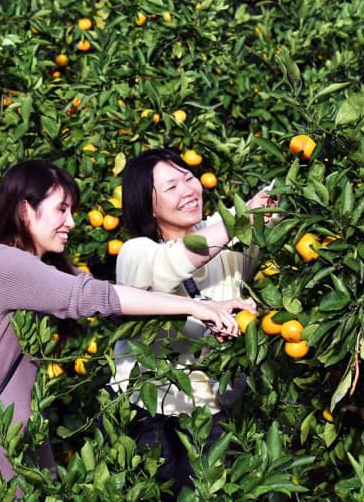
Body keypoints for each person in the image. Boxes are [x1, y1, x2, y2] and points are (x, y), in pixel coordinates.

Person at [0, 159, 255, 502]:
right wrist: (193, 306)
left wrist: (213, 310)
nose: (72, 222)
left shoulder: (42, 268)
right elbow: (92, 297)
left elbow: (116, 302)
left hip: (27, 449)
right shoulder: (1, 263)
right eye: (61, 209)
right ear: (25, 210)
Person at [110, 148, 277, 499]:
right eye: (171, 186)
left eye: (189, 178)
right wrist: (246, 214)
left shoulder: (226, 238)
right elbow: (181, 258)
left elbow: (275, 209)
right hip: (152, 419)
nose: (188, 190)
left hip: (216, 416)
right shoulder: (136, 254)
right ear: (148, 205)